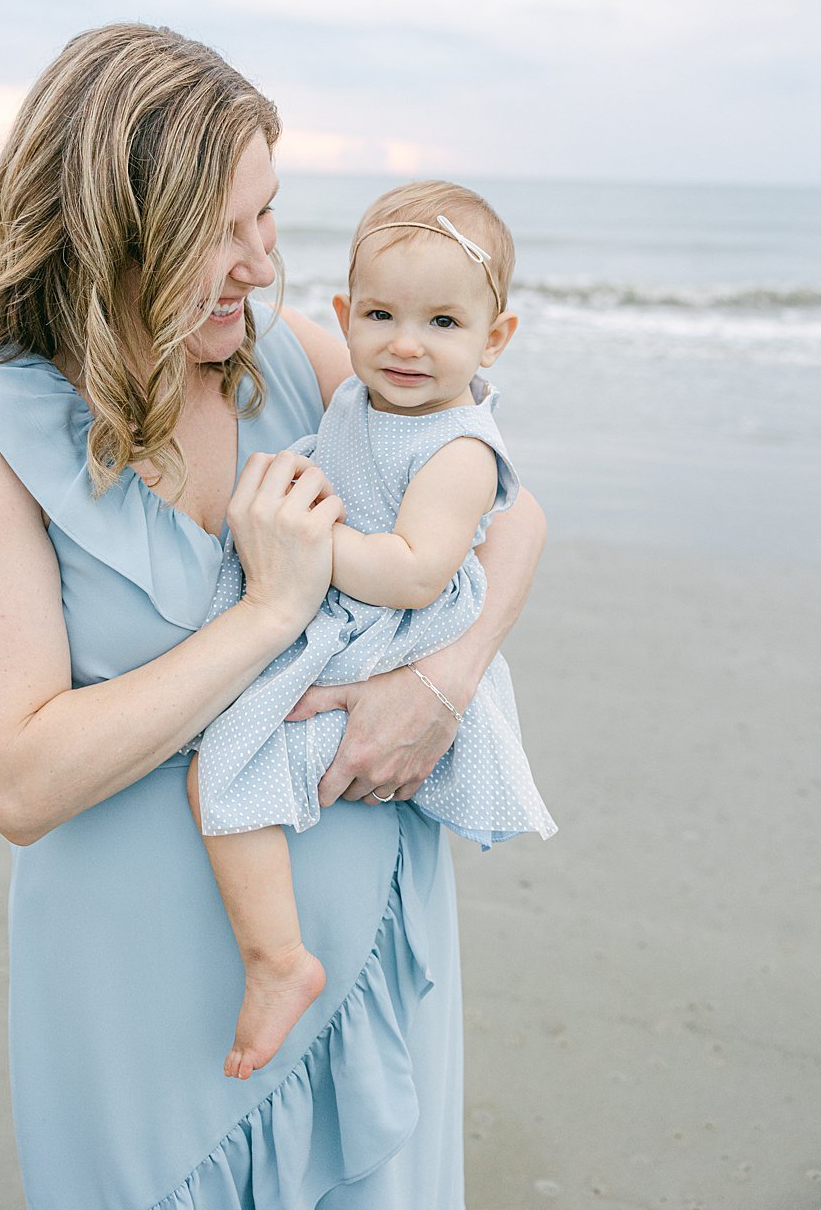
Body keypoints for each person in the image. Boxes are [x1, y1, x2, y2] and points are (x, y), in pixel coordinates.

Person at [0, 24, 542, 1207]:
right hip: (145, 1000)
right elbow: (18, 782)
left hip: (369, 962)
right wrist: (268, 611)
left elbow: (510, 514)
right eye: (224, 231)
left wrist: (439, 688)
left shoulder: (291, 364)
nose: (261, 266)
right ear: (118, 231)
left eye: (270, 218)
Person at [189, 179, 557, 1082]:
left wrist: (308, 546)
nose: (406, 343)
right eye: (383, 314)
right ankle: (278, 948)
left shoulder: (460, 448)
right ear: (345, 315)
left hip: (386, 638)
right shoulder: (355, 394)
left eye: (443, 323)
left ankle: (280, 960)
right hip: (341, 620)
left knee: (227, 764)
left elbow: (418, 570)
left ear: (494, 339)